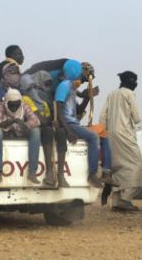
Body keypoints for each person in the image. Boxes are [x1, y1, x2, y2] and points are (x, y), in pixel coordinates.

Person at [55, 59, 104, 188]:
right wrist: (68, 131)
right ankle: (92, 174)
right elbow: (58, 110)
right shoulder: (64, 86)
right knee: (93, 137)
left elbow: (78, 111)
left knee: (104, 137)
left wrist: (88, 97)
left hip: (72, 123)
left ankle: (105, 172)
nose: (82, 75)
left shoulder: (70, 87)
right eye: (80, 72)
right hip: (69, 124)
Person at [101, 71, 142, 212]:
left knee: (118, 167)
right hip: (125, 134)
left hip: (111, 135)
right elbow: (136, 118)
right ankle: (126, 199)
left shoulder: (112, 94)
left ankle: (116, 202)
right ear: (131, 81)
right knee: (136, 165)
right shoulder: (129, 94)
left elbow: (102, 116)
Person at [0, 89, 42, 184]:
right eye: (11, 105)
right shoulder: (0, 106)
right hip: (5, 132)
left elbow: (36, 121)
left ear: (20, 102)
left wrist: (24, 124)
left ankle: (32, 172)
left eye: (16, 104)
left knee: (36, 131)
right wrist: (9, 122)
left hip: (21, 130)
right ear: (6, 102)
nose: (14, 107)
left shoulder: (24, 105)